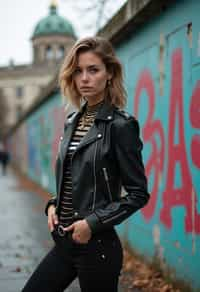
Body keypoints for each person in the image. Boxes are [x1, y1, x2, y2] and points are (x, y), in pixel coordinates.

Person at [22, 36, 150, 292]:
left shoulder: (120, 126)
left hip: (97, 247)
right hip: (65, 242)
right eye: (78, 71)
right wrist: (52, 206)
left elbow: (138, 194)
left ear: (110, 73)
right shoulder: (72, 122)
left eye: (93, 70)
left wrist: (91, 224)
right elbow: (73, 180)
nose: (84, 78)